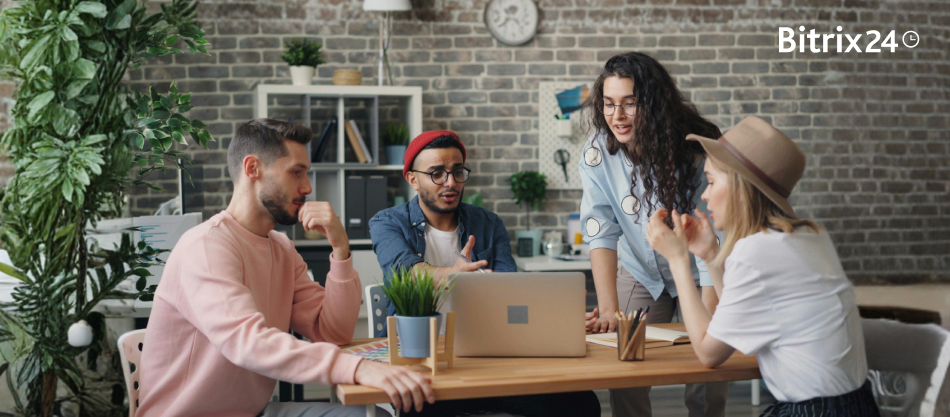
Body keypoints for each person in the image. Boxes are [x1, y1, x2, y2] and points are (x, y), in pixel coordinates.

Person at [138, 119, 436, 417]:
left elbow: (333, 331)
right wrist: (356, 368)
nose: (307, 187)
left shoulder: (281, 248)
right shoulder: (206, 245)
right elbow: (248, 342)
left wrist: (341, 250)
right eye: (296, 172)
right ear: (252, 168)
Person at [645, 116, 879, 417]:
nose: (704, 194)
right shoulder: (810, 236)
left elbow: (708, 352)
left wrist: (677, 259)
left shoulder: (756, 250)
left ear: (742, 189)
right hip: (855, 405)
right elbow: (740, 316)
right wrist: (709, 254)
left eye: (712, 181)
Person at [369, 130, 600, 417]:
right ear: (413, 179)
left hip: (487, 361)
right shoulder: (387, 222)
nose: (451, 182)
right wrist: (454, 274)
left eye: (457, 172)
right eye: (437, 173)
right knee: (418, 409)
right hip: (421, 363)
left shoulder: (489, 223)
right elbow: (403, 273)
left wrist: (556, 321)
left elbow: (511, 295)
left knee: (582, 402)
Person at [579, 51, 728, 417]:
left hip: (698, 268)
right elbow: (599, 229)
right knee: (627, 368)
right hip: (639, 270)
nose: (617, 116)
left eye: (630, 104)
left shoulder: (697, 147)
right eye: (609, 104)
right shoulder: (597, 152)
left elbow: (712, 234)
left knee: (706, 372)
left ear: (654, 104)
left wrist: (710, 310)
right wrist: (610, 307)